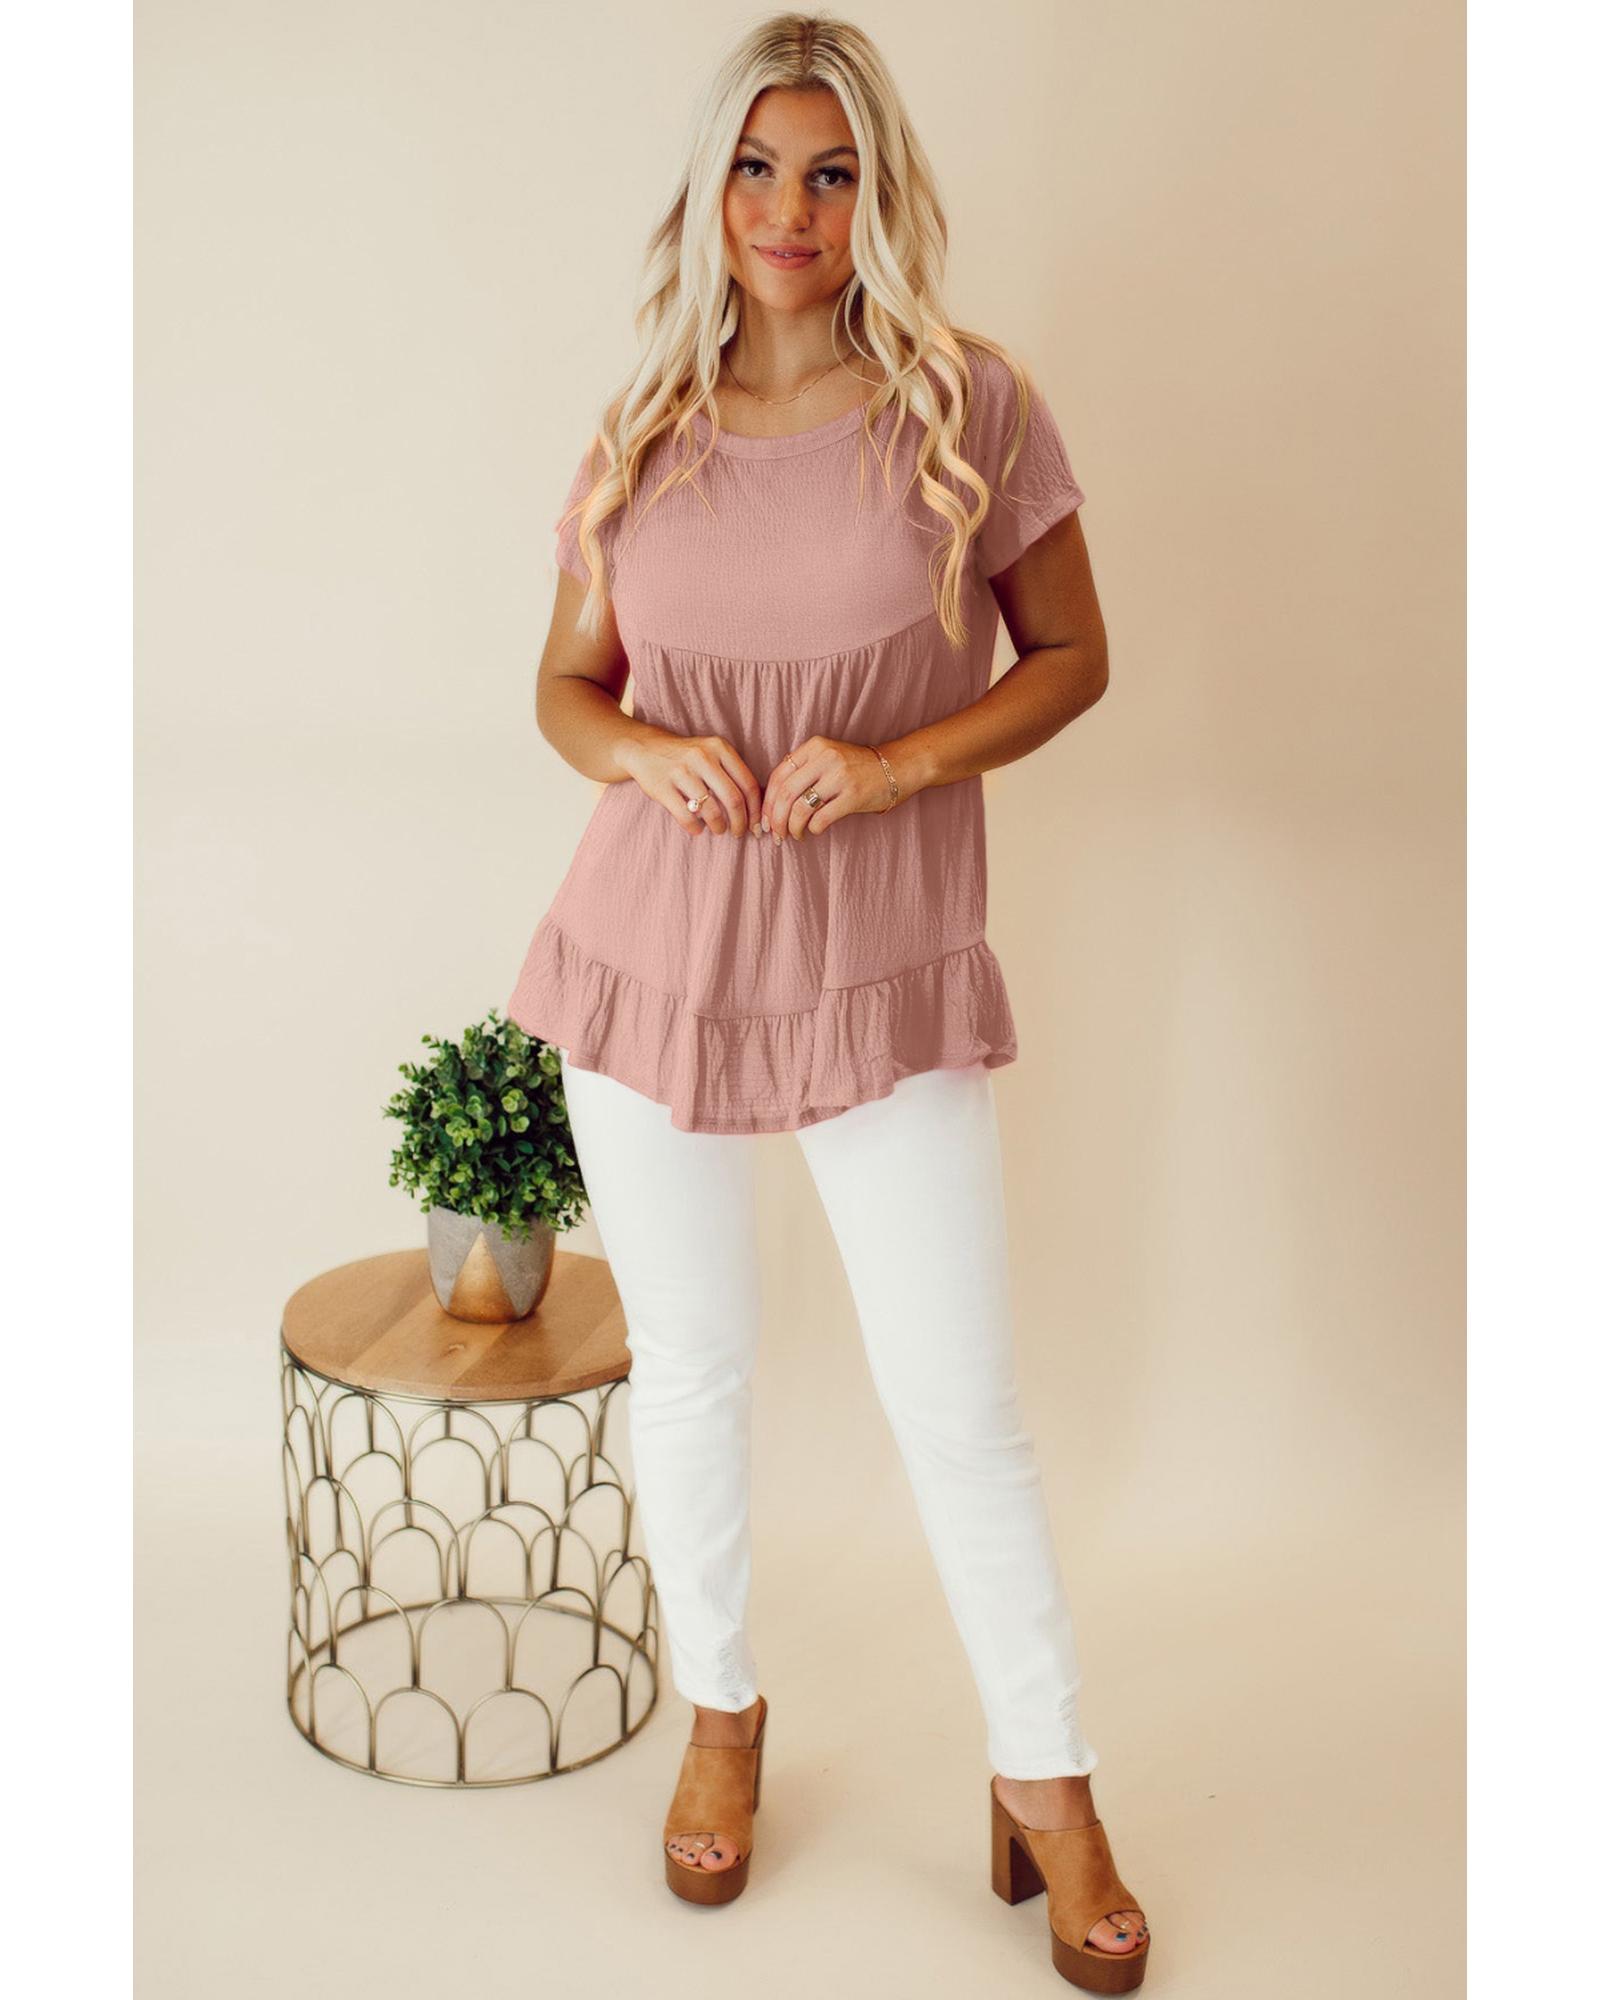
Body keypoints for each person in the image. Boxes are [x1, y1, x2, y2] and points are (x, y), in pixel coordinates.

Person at [506, 12, 1150, 1988]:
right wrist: (637, 752)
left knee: (958, 1403)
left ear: (878, 194)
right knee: (694, 1368)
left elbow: (1071, 657)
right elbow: (565, 689)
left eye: (832, 171)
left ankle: (1046, 1780)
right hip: (649, 962)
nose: (789, 209)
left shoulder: (967, 405)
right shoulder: (643, 426)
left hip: (879, 962)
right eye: (758, 166)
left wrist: (897, 766)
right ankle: (721, 1714)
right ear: (709, 187)